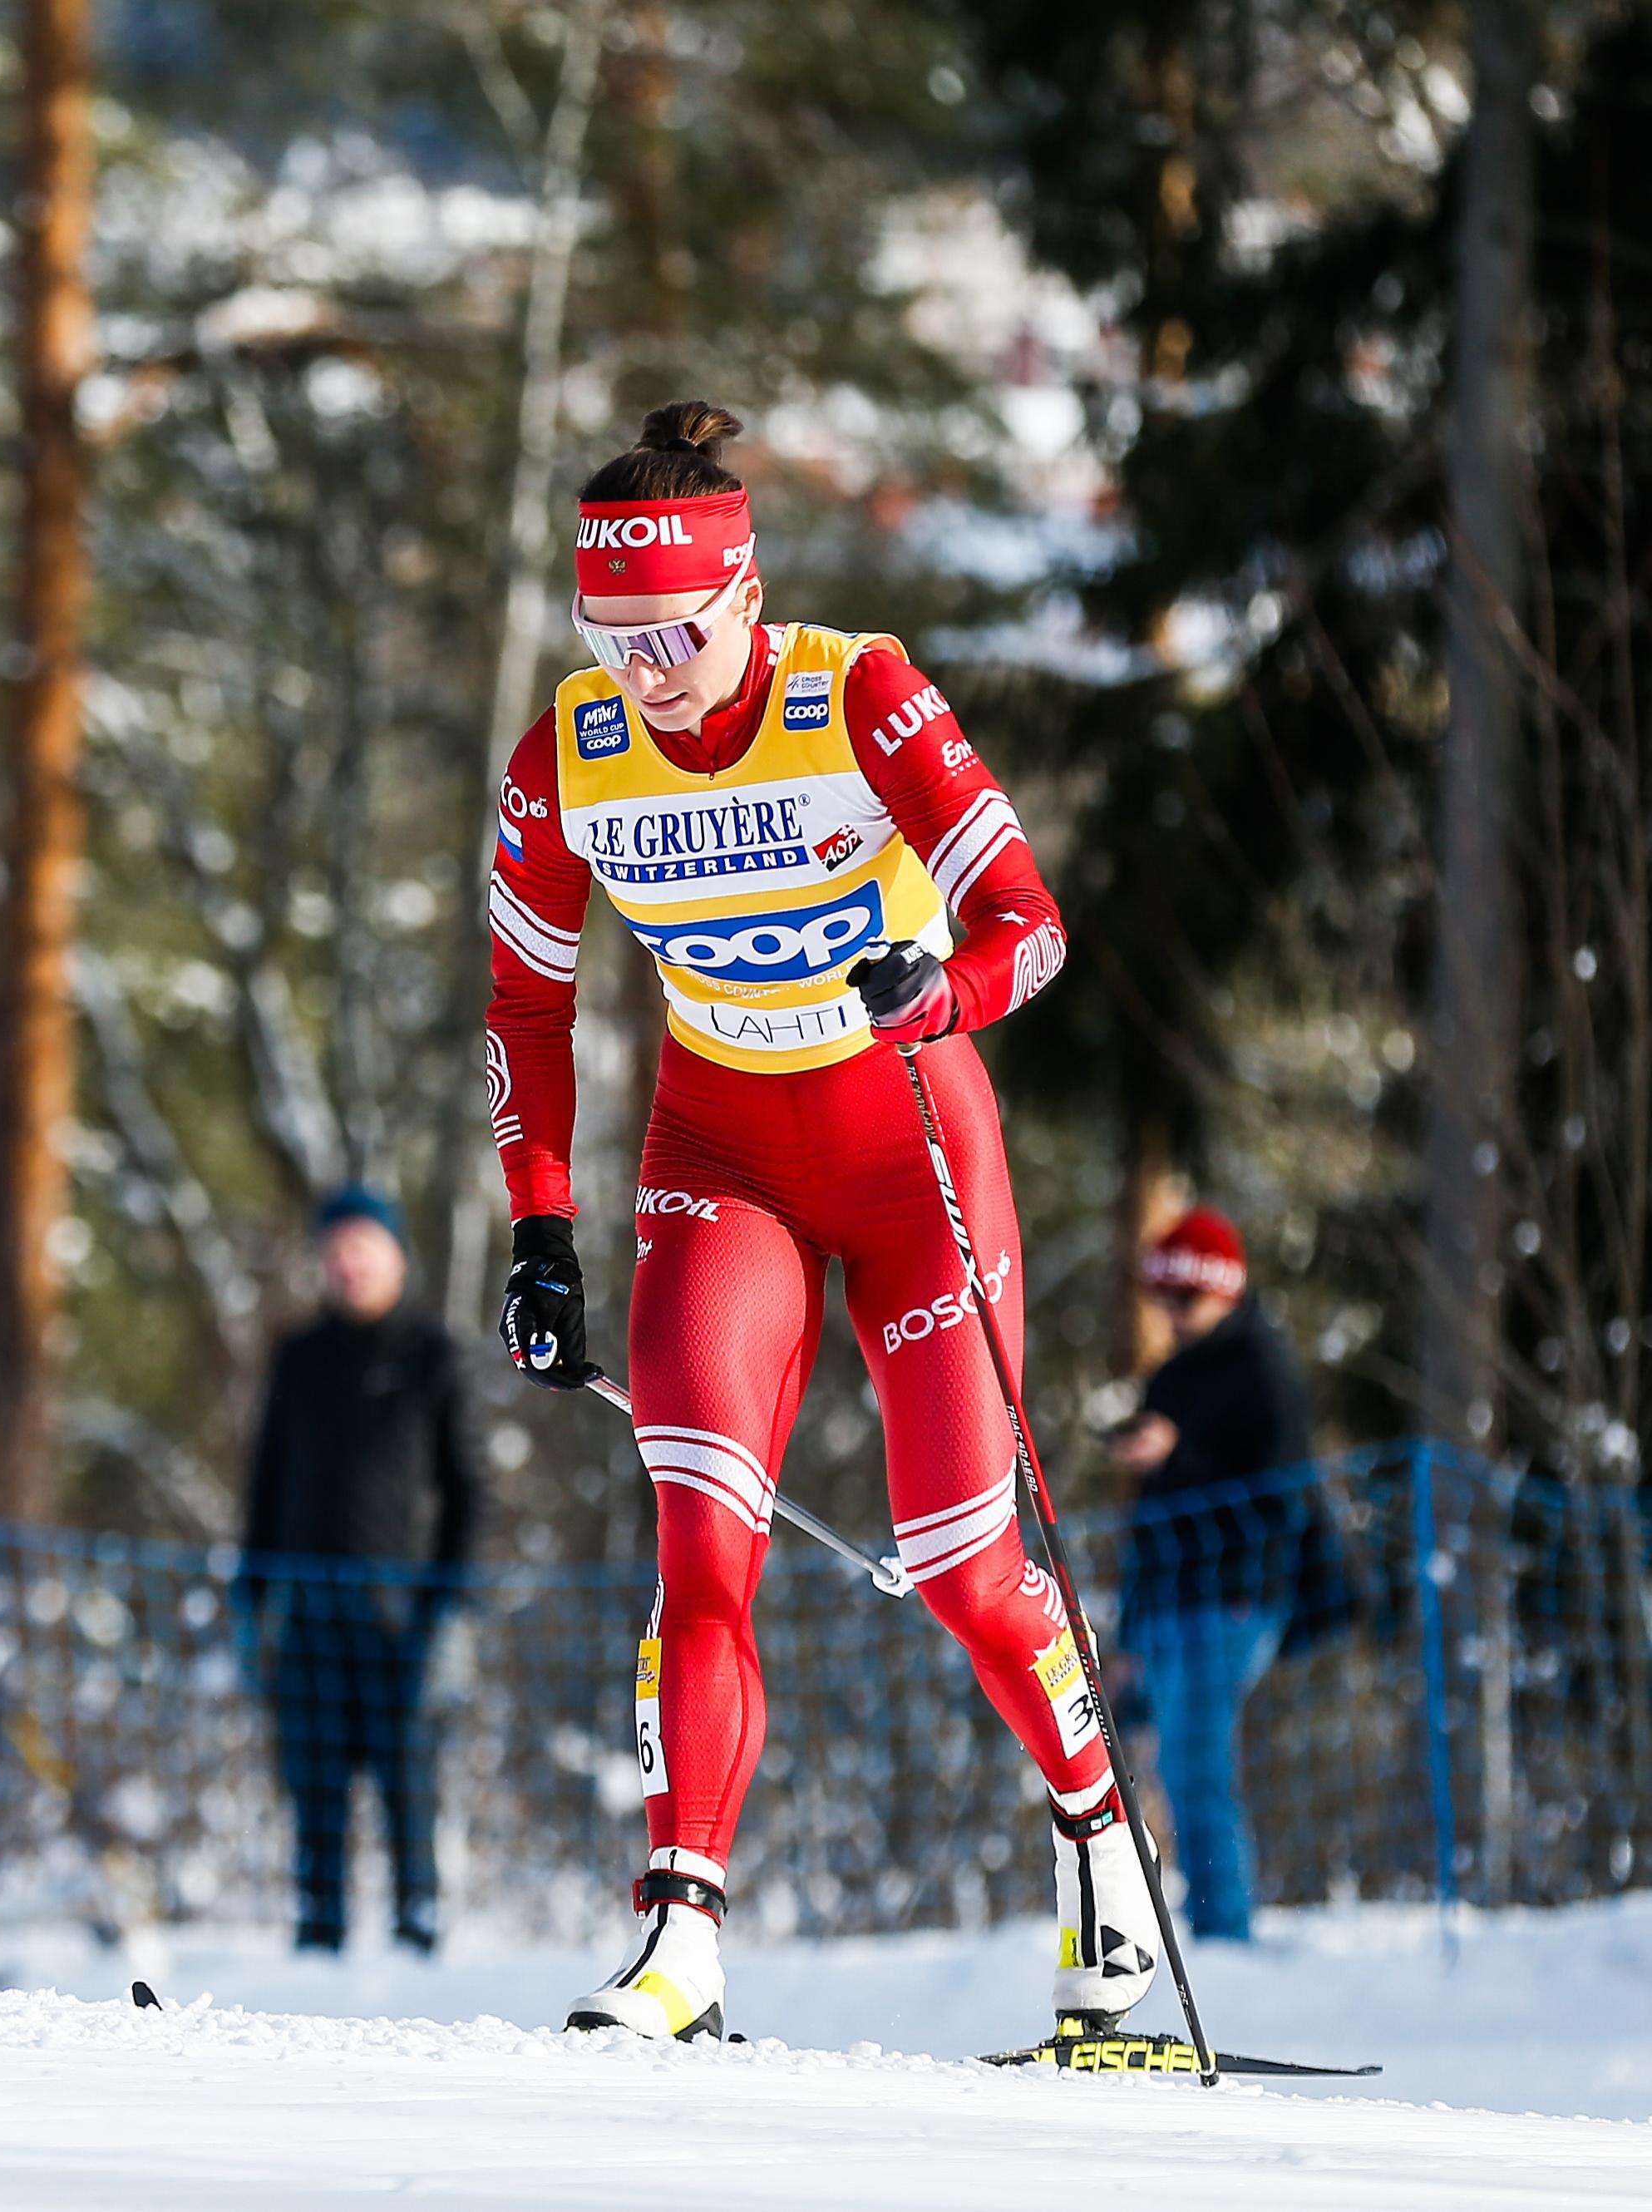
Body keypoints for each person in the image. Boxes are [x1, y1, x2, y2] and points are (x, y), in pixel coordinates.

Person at [486, 401, 1151, 2042]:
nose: (645, 670)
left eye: (677, 633)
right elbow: (523, 1005)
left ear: (745, 596)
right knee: (700, 1540)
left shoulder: (856, 691)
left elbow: (1034, 923)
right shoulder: (566, 753)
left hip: (911, 1148)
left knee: (958, 1561)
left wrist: (949, 987)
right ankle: (679, 1939)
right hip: (722, 1155)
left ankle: (1102, 1862)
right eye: (611, 634)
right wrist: (540, 1231)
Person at [236, 1185, 482, 1957]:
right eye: (335, 1250)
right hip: (307, 1607)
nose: (349, 1264)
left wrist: (451, 1605)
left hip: (401, 1614)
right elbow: (265, 1480)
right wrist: (251, 1594)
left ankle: (418, 1923)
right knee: (313, 1775)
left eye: (363, 1248)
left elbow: (468, 1489)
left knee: (406, 1771)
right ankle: (318, 1927)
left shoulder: (432, 1355)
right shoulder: (297, 1358)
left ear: (395, 1256)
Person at [1107, 1206, 1314, 1943]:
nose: (1170, 1315)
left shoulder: (1262, 1369)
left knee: (1196, 1764)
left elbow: (1280, 1495)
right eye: (1160, 1300)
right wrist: (1128, 1631)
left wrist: (1178, 1454)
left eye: (1183, 1299)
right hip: (1165, 1599)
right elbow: (1148, 1518)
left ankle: (1222, 1934)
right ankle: (1200, 1927)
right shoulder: (1170, 1375)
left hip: (1229, 1598)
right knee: (1168, 1767)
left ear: (1223, 1289)